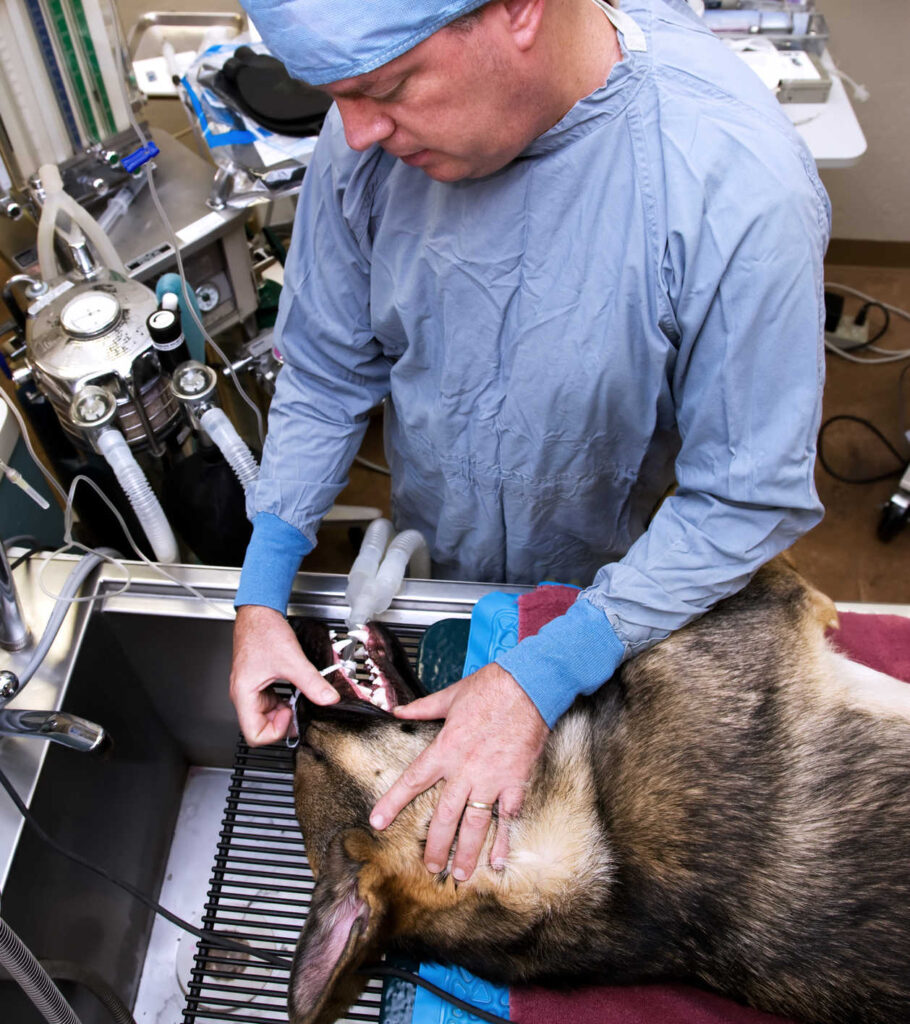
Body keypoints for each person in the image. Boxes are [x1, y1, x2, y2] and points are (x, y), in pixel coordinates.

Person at [230, 0, 830, 884]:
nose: (353, 134)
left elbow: (741, 497)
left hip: (636, 609)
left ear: (519, 11)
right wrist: (262, 590)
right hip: (453, 562)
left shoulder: (731, 182)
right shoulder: (369, 141)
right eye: (337, 97)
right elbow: (324, 368)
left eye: (386, 89)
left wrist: (549, 670)